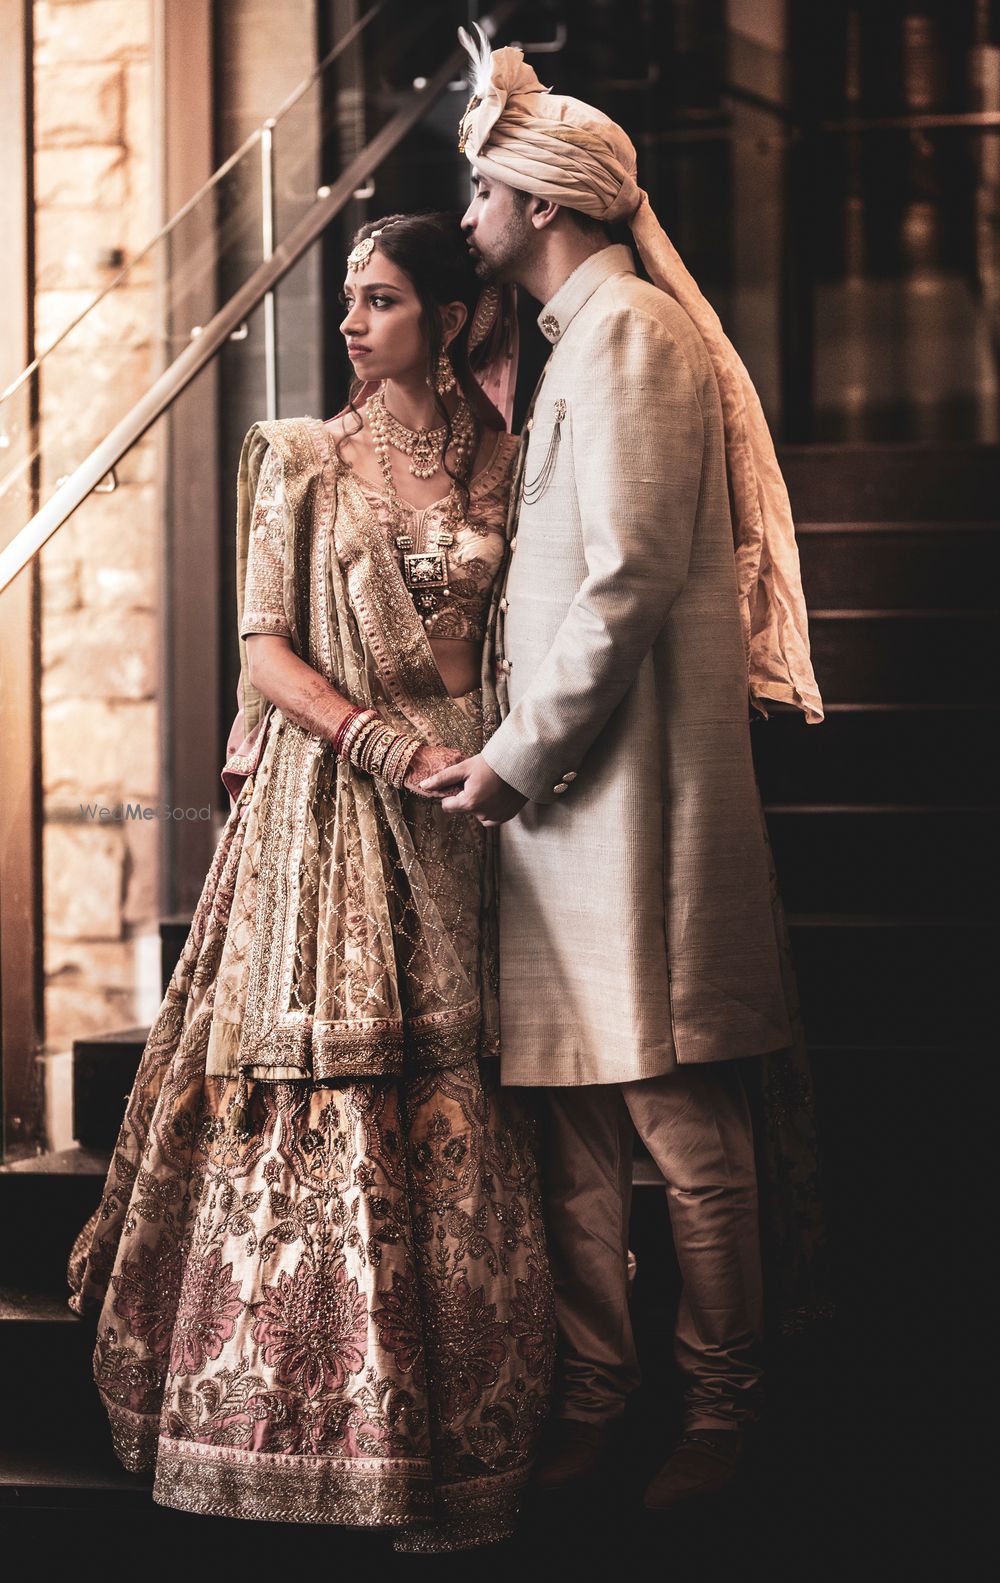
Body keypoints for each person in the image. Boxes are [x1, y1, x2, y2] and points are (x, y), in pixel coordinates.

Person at [66, 211, 555, 1554]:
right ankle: (288, 1416)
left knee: (460, 1106)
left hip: (475, 808)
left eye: (382, 300)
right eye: (348, 299)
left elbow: (530, 636)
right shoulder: (299, 457)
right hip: (337, 800)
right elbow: (266, 651)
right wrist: (381, 742)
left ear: (450, 320)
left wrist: (480, 754)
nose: (349, 322)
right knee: (320, 1087)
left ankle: (456, 1423)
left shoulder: (516, 460)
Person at [422, 34, 824, 1510]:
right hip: (560, 805)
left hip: (625, 801)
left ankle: (723, 1413)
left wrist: (516, 759)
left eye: (482, 188)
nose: (466, 210)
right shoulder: (569, 340)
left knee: (672, 1116)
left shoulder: (636, 334)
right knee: (571, 1121)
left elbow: (633, 576)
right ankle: (599, 1394)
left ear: (544, 202)